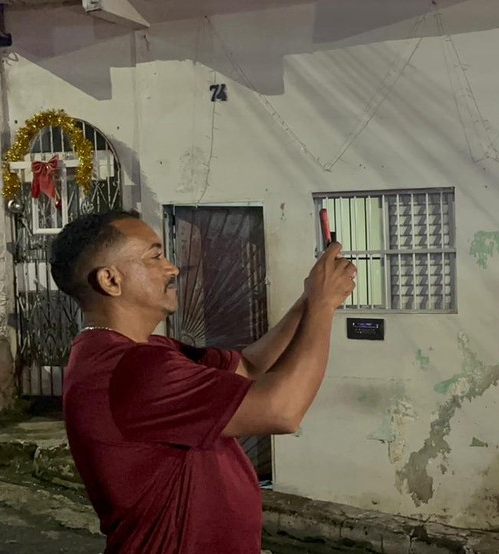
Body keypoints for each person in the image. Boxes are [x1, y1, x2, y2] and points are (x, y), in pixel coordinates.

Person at [49, 210, 356, 553]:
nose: (172, 269)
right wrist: (323, 306)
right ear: (110, 280)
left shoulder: (140, 351)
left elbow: (250, 366)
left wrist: (310, 299)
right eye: (155, 256)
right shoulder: (132, 368)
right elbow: (282, 410)